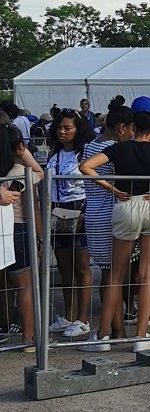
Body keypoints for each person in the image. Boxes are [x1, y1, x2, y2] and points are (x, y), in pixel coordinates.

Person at [79, 111, 150, 353]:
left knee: (116, 276)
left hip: (126, 205)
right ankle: (141, 336)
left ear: (132, 128)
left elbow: (86, 166)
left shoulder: (119, 149)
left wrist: (111, 188)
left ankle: (103, 336)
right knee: (148, 274)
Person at [82, 105, 134, 344]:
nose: (133, 134)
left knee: (108, 274)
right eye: (131, 129)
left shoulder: (91, 144)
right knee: (114, 276)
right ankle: (116, 328)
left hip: (93, 212)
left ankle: (115, 326)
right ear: (122, 128)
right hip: (109, 212)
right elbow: (89, 170)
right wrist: (113, 188)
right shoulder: (112, 148)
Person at [46, 109, 96, 339]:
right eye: (60, 127)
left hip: (79, 209)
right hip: (57, 210)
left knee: (81, 266)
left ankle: (83, 319)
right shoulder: (53, 155)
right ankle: (68, 314)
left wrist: (87, 212)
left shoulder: (84, 154)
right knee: (64, 267)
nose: (63, 132)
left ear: (79, 130)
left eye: (68, 128)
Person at [3, 124, 42, 350]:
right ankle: (29, 337)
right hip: (19, 228)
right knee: (25, 286)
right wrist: (40, 237)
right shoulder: (19, 171)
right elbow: (39, 174)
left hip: (5, 229)